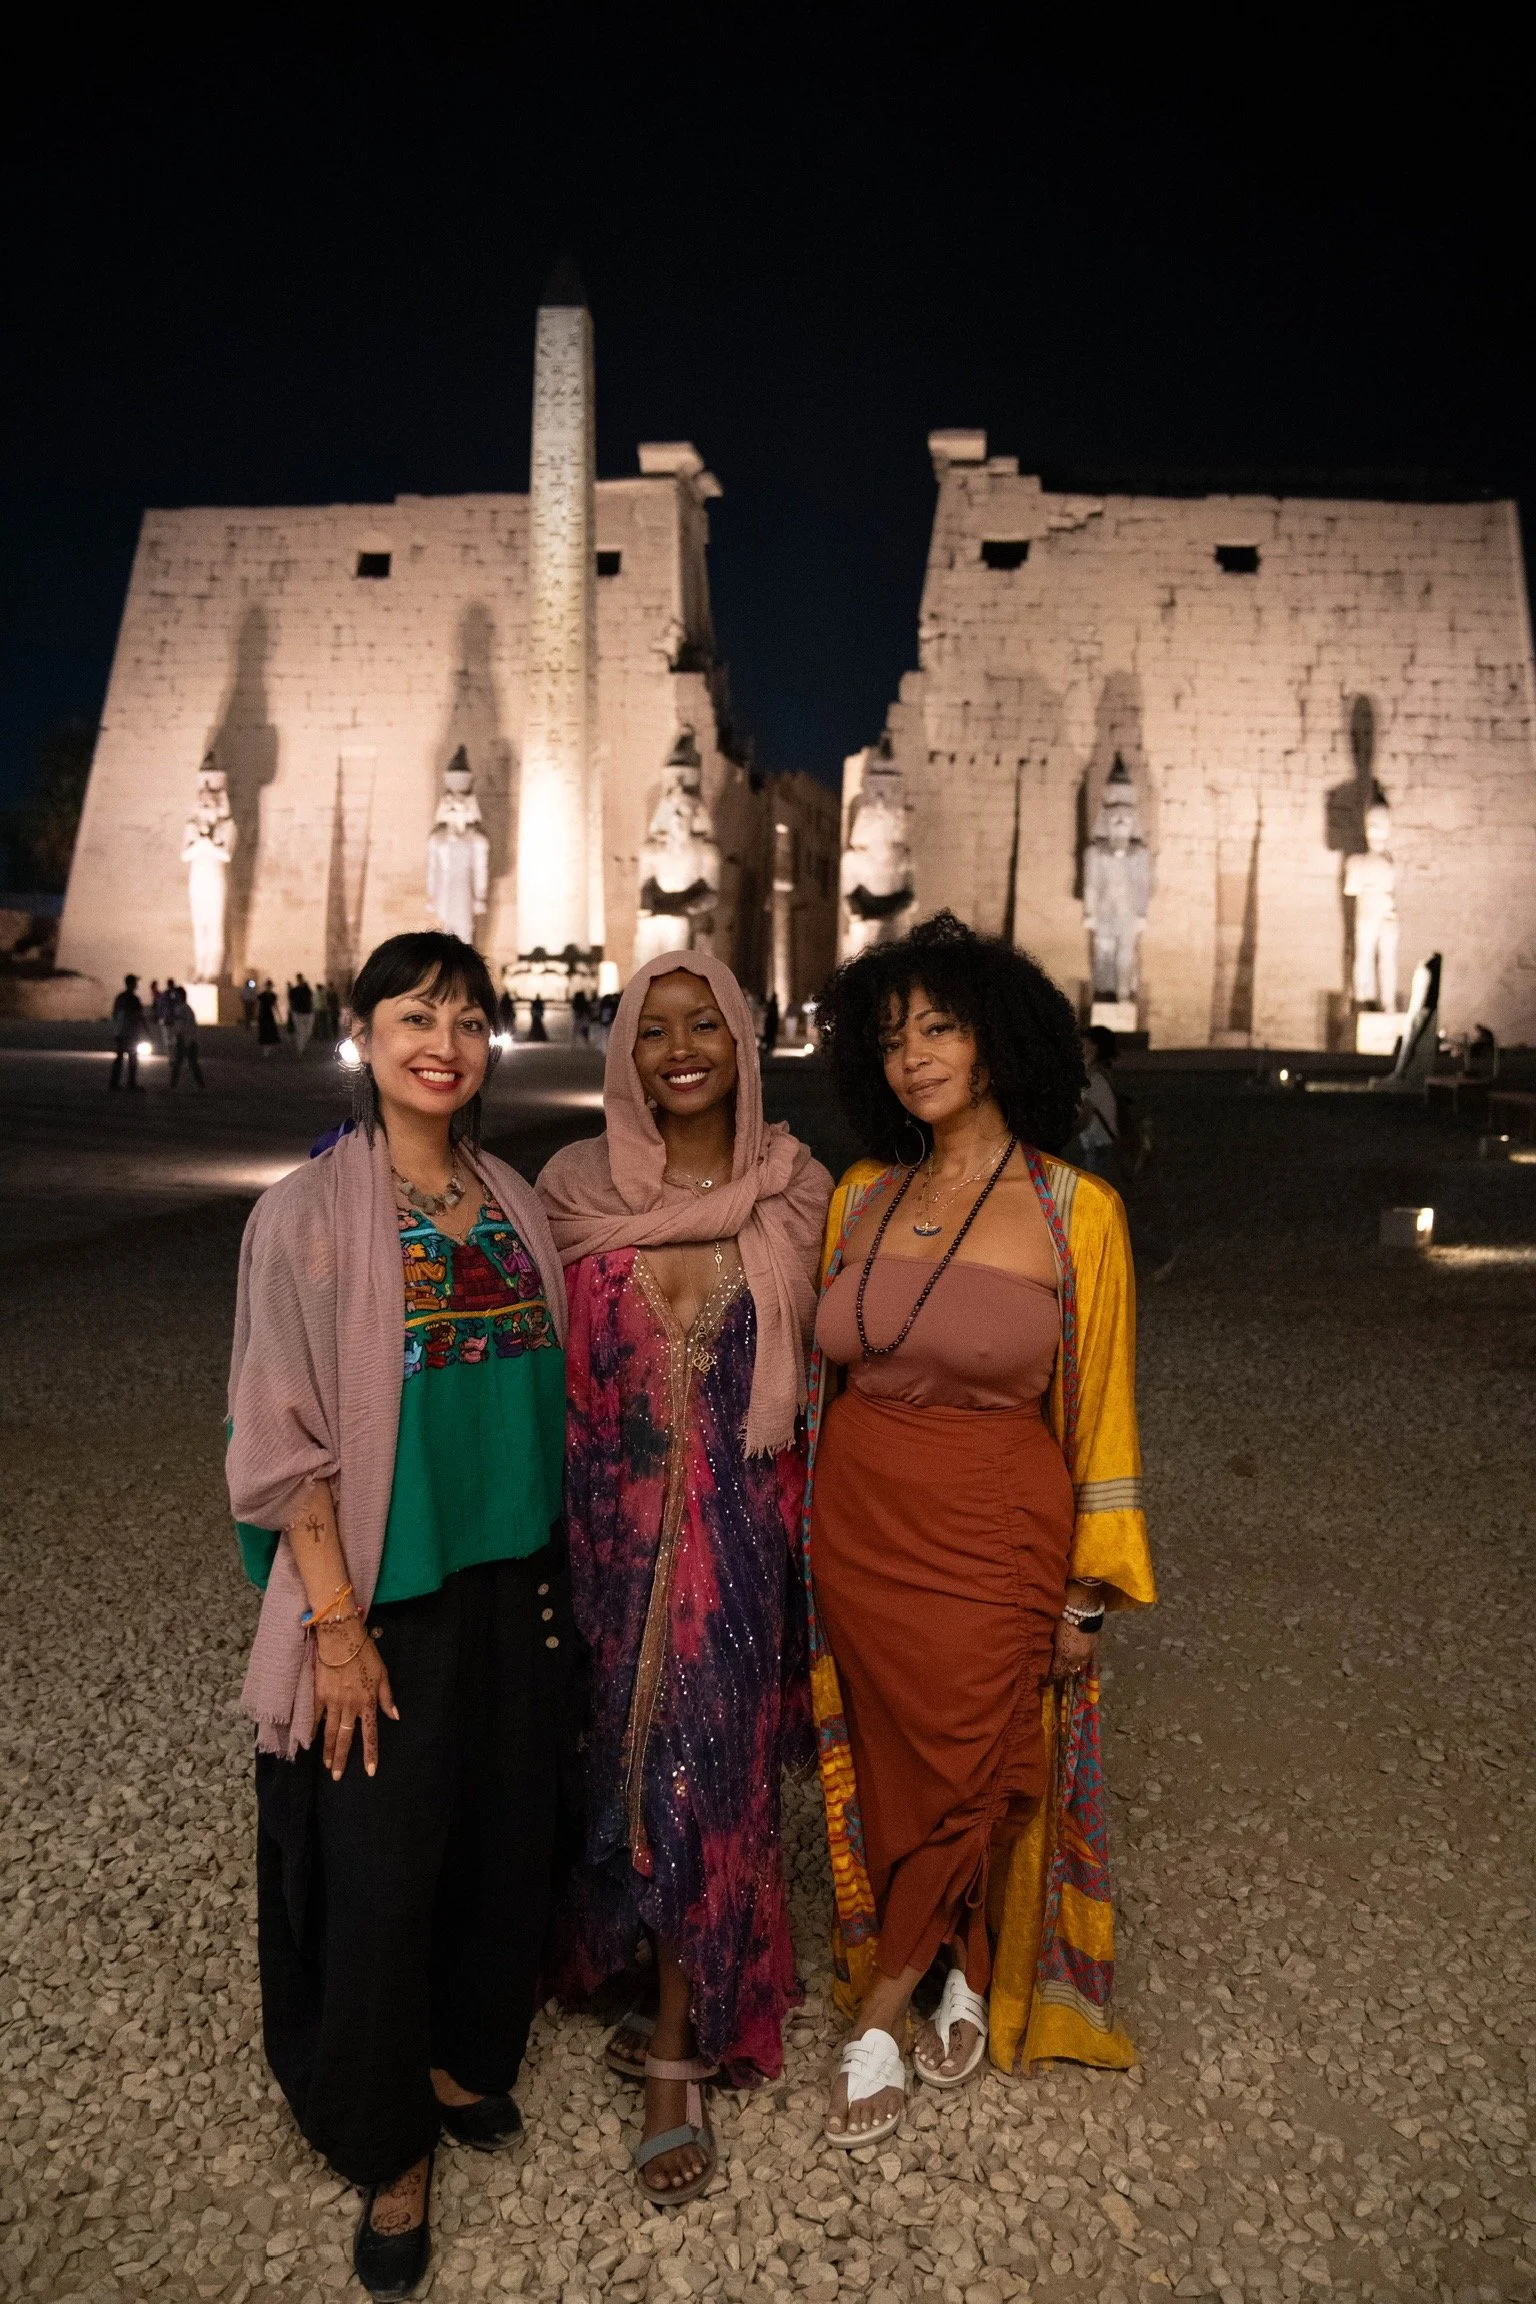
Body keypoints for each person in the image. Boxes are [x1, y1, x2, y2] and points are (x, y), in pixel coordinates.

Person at [226, 931, 575, 2297]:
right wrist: (336, 1627)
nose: (449, 1040)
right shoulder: (303, 1217)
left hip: (515, 1589)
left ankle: (459, 2058)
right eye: (418, 1015)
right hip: (386, 1602)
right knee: (379, 1871)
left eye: (472, 1019)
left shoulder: (514, 1199)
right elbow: (277, 1441)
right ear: (362, 1036)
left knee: (501, 1842)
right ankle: (387, 2142)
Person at [804, 912, 1155, 2146]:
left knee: (966, 1760)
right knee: (901, 1771)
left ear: (1000, 1042)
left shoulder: (1076, 1212)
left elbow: (1101, 1411)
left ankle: (876, 2016)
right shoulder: (858, 1195)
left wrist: (1084, 1598)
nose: (914, 1058)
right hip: (856, 1535)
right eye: (893, 1037)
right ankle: (953, 1961)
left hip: (992, 1534)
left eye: (941, 1028)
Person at [537, 954, 831, 2206]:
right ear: (625, 1055)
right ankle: (639, 1959)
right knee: (613, 1758)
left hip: (744, 1538)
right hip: (606, 1540)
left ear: (745, 1037)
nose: (679, 1047)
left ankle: (679, 2042)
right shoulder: (571, 1192)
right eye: (651, 1030)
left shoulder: (800, 1189)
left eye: (703, 1020)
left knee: (706, 1763)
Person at [108, 974, 146, 1091]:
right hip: (130, 1033)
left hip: (120, 1032)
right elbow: (139, 1016)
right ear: (132, 984)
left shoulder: (120, 997)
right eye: (135, 982)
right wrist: (147, 1030)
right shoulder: (134, 999)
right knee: (132, 1058)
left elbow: (114, 1014)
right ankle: (131, 1084)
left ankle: (114, 1083)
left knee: (119, 1058)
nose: (137, 984)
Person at [167, 986, 206, 1090]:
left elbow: (189, 1026)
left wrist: (187, 1040)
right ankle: (174, 1085)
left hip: (187, 1039)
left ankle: (200, 1084)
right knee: (181, 1063)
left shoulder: (185, 1009)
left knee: (189, 1063)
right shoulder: (179, 1008)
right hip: (183, 1039)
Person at [289, 972, 316, 1055]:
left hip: (308, 1012)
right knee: (300, 1032)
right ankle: (300, 1049)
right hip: (298, 1013)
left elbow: (311, 997)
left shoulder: (306, 989)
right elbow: (291, 1000)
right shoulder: (295, 990)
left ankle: (302, 1047)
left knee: (308, 1032)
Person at [256, 979, 282, 1056]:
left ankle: (267, 1048)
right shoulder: (262, 995)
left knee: (270, 1031)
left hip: (268, 1014)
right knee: (264, 1031)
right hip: (263, 1014)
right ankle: (266, 1049)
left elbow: (275, 1005)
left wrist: (279, 1015)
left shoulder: (272, 995)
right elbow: (258, 1005)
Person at [760, 990, 780, 1059]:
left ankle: (768, 1050)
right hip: (771, 1024)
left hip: (770, 1024)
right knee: (770, 1038)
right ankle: (768, 1050)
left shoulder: (772, 1005)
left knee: (770, 1038)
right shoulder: (774, 1005)